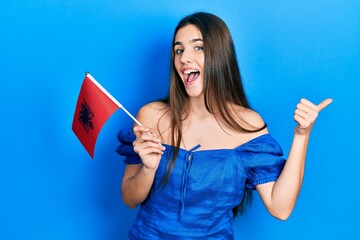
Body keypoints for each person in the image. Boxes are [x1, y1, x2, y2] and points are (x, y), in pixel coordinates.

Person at [116, 12, 332, 239]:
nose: (184, 58)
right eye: (179, 50)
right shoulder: (150, 116)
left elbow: (280, 208)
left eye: (198, 47)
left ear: (220, 55)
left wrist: (301, 135)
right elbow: (129, 199)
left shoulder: (247, 124)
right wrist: (149, 169)